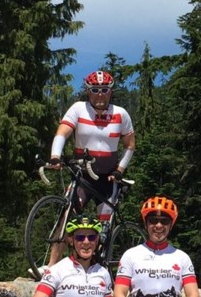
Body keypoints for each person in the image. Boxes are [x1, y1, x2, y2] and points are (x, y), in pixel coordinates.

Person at [48, 70, 136, 235]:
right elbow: (62, 132)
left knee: (103, 232)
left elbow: (130, 145)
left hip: (108, 180)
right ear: (88, 91)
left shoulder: (121, 114)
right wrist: (55, 156)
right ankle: (53, 262)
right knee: (66, 218)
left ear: (111, 91)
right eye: (95, 90)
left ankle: (100, 258)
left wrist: (120, 170)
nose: (100, 94)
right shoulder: (79, 109)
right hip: (82, 176)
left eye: (104, 90)